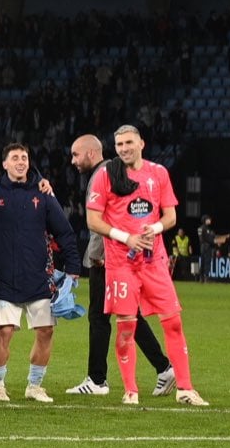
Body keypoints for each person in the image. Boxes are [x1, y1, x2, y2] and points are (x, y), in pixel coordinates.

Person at [85, 124, 206, 407]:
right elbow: (93, 220)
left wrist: (154, 227)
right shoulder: (106, 174)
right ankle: (131, 390)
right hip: (120, 264)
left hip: (153, 262)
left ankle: (185, 389)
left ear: (142, 143)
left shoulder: (158, 173)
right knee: (127, 326)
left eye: (129, 143)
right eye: (119, 145)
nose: (124, 148)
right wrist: (125, 237)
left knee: (173, 322)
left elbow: (171, 216)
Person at [64, 133, 173, 397]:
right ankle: (164, 368)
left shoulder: (102, 177)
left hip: (107, 259)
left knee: (99, 318)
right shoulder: (115, 172)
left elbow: (106, 220)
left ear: (91, 153)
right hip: (119, 257)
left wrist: (99, 255)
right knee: (127, 315)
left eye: (76, 155)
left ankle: (97, 379)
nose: (72, 161)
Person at [0, 143, 81, 402]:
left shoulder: (43, 193)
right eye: (14, 158)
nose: (20, 162)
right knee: (4, 332)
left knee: (45, 331)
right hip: (5, 277)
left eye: (24, 157)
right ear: (4, 164)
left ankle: (34, 386)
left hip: (39, 277)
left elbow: (64, 231)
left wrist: (73, 268)